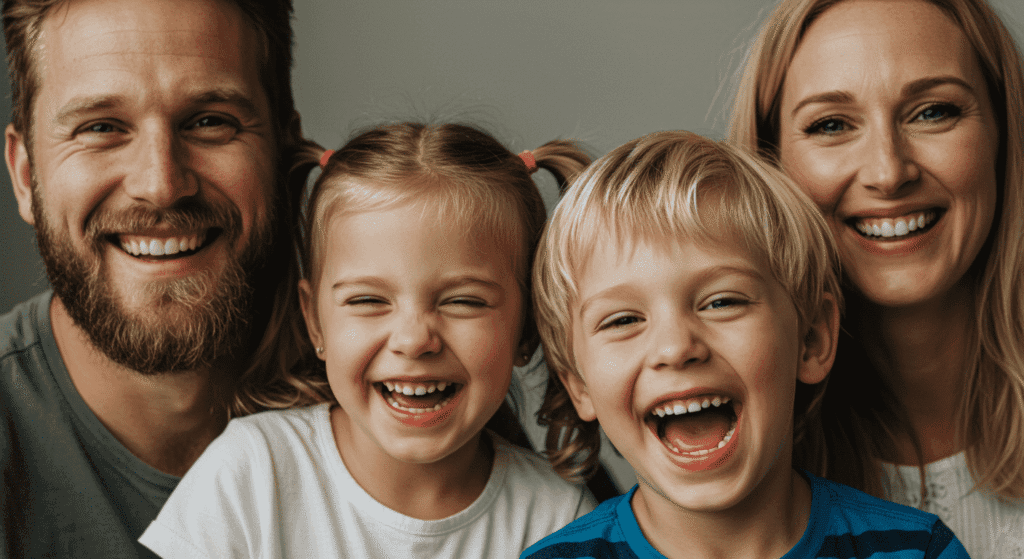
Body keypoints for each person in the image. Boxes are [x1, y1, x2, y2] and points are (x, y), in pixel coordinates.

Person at [138, 122, 597, 558]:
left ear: (527, 327)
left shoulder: (559, 520)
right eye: (368, 300)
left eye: (463, 301)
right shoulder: (252, 472)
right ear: (315, 322)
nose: (414, 340)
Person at [521, 131, 969, 558]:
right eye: (622, 320)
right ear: (578, 383)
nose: (676, 347)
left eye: (722, 302)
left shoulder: (918, 551)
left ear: (811, 339)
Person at [0, 0, 318, 557]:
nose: (161, 185)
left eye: (210, 121)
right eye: (100, 128)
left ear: (285, 154)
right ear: (26, 175)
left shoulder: (401, 386)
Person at [728, 0, 1024, 556]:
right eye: (832, 125)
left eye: (933, 112)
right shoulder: (717, 455)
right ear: (770, 166)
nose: (888, 172)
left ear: (1004, 133)